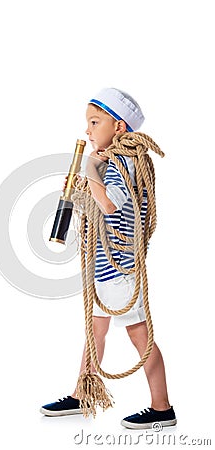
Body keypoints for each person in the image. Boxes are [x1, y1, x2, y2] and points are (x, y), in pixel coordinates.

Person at [40, 88, 177, 429]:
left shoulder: (121, 162)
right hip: (106, 268)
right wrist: (82, 189)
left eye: (94, 121)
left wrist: (89, 169)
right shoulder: (114, 162)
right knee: (95, 333)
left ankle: (162, 408)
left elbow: (112, 206)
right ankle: (82, 392)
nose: (88, 130)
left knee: (140, 339)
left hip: (121, 271)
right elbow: (101, 206)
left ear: (118, 127)